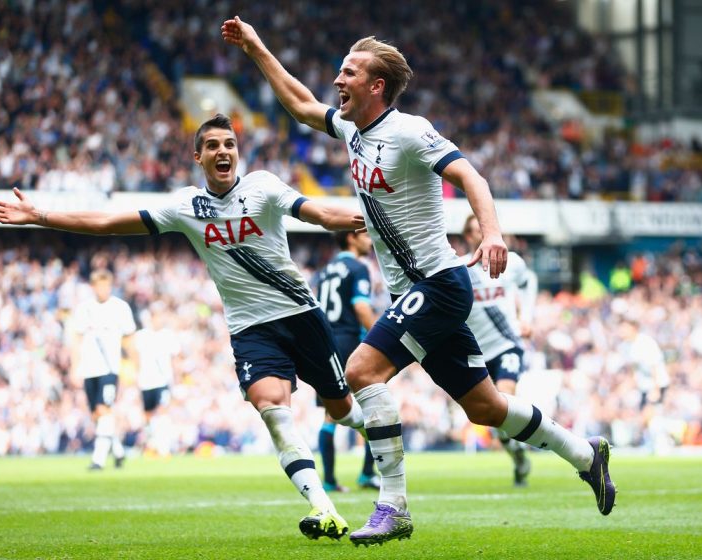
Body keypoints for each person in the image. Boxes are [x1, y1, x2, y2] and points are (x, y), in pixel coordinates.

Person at [222, 18, 617, 545]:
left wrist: (493, 233)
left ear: (375, 86)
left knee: (362, 370)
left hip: (439, 283)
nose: (337, 80)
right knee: (486, 408)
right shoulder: (351, 131)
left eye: (348, 72)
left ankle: (394, 506)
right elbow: (298, 103)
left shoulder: (409, 131)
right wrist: (254, 47)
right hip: (420, 293)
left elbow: (470, 175)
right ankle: (586, 454)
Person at [0, 113, 369, 541]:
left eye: (229, 144)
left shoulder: (262, 186)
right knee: (274, 412)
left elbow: (315, 211)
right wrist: (40, 215)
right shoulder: (185, 205)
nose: (223, 151)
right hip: (250, 329)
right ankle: (324, 508)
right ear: (198, 157)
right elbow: (109, 224)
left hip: (301, 317)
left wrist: (362, 218)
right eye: (213, 146)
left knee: (343, 411)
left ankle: (382, 432)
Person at [462, 215, 538, 486]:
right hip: (477, 353)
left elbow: (529, 282)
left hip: (507, 345)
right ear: (467, 236)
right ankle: (518, 455)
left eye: (481, 229)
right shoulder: (461, 270)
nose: (478, 234)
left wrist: (527, 317)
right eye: (473, 231)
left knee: (506, 400)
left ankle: (520, 454)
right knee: (496, 417)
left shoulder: (511, 262)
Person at [314, 230, 379, 492]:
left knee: (330, 414)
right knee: (375, 405)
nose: (369, 239)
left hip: (326, 344)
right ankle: (366, 473)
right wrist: (383, 339)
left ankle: (329, 480)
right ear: (351, 238)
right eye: (364, 234)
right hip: (350, 342)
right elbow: (361, 307)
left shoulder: (326, 270)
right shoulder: (358, 267)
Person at [68, 269, 136, 470]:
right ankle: (118, 451)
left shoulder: (120, 308)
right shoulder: (84, 309)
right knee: (97, 415)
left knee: (103, 410)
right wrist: (74, 367)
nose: (103, 289)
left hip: (109, 368)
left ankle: (98, 459)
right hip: (89, 369)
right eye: (99, 285)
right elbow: (77, 339)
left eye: (106, 285)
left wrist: (132, 365)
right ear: (93, 287)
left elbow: (129, 336)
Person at [135, 301, 180, 457]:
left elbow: (175, 359)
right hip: (146, 381)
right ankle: (151, 443)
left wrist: (176, 379)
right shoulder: (141, 336)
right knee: (148, 415)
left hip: (163, 381)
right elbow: (135, 358)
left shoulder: (168, 335)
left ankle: (163, 447)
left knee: (162, 412)